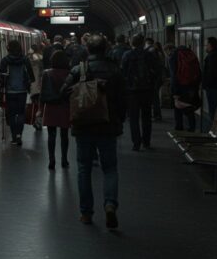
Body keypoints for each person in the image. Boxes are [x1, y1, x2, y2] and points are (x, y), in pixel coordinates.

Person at [62, 35, 125, 229]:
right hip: (108, 126)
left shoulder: (79, 70)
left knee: (84, 169)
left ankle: (86, 213)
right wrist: (118, 121)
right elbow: (123, 99)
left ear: (87, 49)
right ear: (106, 49)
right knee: (110, 169)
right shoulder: (115, 70)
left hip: (83, 126)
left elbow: (64, 93)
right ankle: (109, 204)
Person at [121, 34, 158, 151]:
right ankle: (146, 142)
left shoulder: (127, 55)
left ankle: (136, 143)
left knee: (134, 118)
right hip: (147, 90)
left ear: (132, 43)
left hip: (132, 91)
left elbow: (123, 72)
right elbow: (155, 71)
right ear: (142, 43)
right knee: (146, 117)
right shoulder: (149, 54)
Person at [0, 40, 34, 146]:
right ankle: (19, 135)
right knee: (21, 113)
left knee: (11, 114)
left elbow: (1, 76)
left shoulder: (5, 60)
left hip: (10, 91)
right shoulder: (25, 59)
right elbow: (31, 76)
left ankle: (14, 136)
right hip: (22, 91)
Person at [41, 50, 71, 170]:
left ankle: (51, 160)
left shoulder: (47, 73)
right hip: (64, 106)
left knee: (51, 135)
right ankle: (64, 159)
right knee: (64, 135)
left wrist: (40, 108)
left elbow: (43, 92)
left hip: (51, 106)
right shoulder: (69, 74)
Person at [169, 45, 201, 132]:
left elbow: (173, 75)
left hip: (180, 85)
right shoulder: (191, 54)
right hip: (192, 85)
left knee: (178, 107)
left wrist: (174, 91)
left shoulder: (173, 56)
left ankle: (179, 127)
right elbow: (198, 70)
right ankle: (192, 127)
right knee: (189, 107)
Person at [145, 38, 166, 121]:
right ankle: (156, 114)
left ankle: (156, 115)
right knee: (155, 96)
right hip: (158, 76)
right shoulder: (158, 52)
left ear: (147, 43)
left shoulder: (150, 52)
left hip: (154, 77)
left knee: (154, 97)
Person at [28, 43, 44, 132]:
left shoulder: (30, 59)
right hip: (40, 84)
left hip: (33, 85)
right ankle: (38, 122)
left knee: (34, 104)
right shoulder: (41, 58)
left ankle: (35, 120)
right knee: (39, 105)